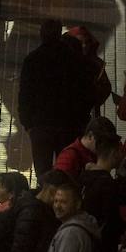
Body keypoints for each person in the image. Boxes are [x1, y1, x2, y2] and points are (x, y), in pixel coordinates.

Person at [18, 22, 93, 177]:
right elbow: (83, 93)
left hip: (40, 125)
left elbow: (25, 94)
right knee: (66, 168)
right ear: (59, 34)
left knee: (42, 170)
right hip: (68, 125)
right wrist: (81, 120)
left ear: (41, 35)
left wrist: (27, 123)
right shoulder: (74, 59)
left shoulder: (32, 59)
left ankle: (44, 191)